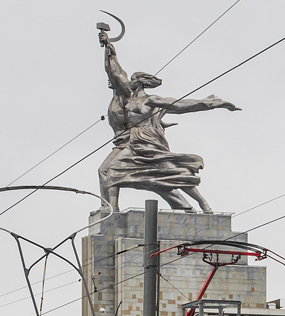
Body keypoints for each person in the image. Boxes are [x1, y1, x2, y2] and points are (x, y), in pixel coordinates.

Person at [96, 28, 240, 212]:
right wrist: (108, 49)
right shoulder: (126, 101)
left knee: (172, 172)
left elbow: (181, 105)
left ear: (139, 82)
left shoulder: (151, 100)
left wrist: (211, 103)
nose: (127, 81)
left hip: (149, 141)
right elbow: (115, 74)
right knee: (111, 170)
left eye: (131, 79)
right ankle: (111, 210)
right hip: (133, 142)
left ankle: (203, 203)